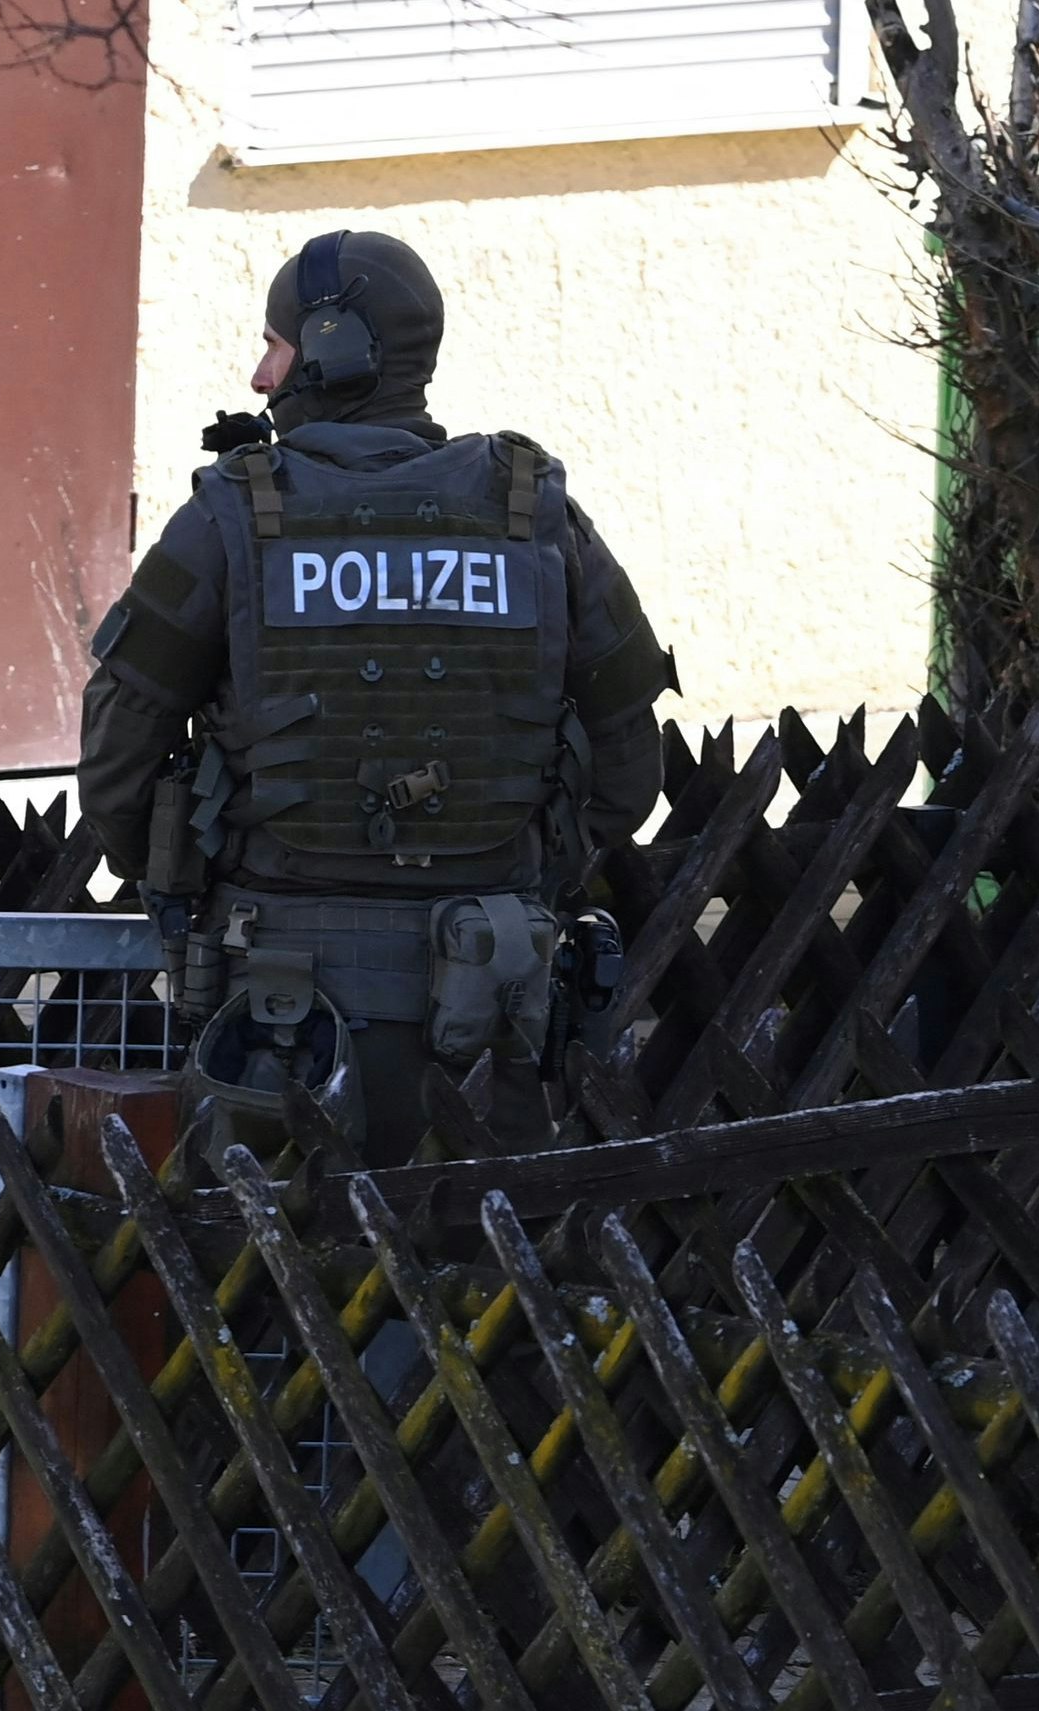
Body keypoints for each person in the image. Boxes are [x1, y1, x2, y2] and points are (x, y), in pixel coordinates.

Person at [76, 230, 672, 1163]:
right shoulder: (530, 509)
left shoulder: (236, 512)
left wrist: (173, 872)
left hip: (281, 1018)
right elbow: (629, 767)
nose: (262, 375)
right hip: (489, 1012)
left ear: (331, 346)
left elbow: (120, 746)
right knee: (484, 1272)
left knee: (272, 1276)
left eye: (275, 343)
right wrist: (512, 867)